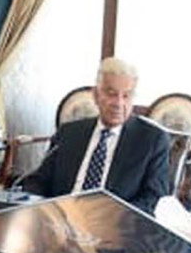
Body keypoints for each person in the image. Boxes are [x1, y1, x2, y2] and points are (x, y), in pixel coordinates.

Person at [16, 57, 172, 212]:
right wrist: (39, 210)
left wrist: (116, 219)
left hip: (115, 227)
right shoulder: (70, 133)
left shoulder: (152, 140)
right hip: (61, 220)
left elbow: (154, 198)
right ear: (96, 95)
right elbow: (39, 181)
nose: (118, 103)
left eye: (126, 96)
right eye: (111, 94)